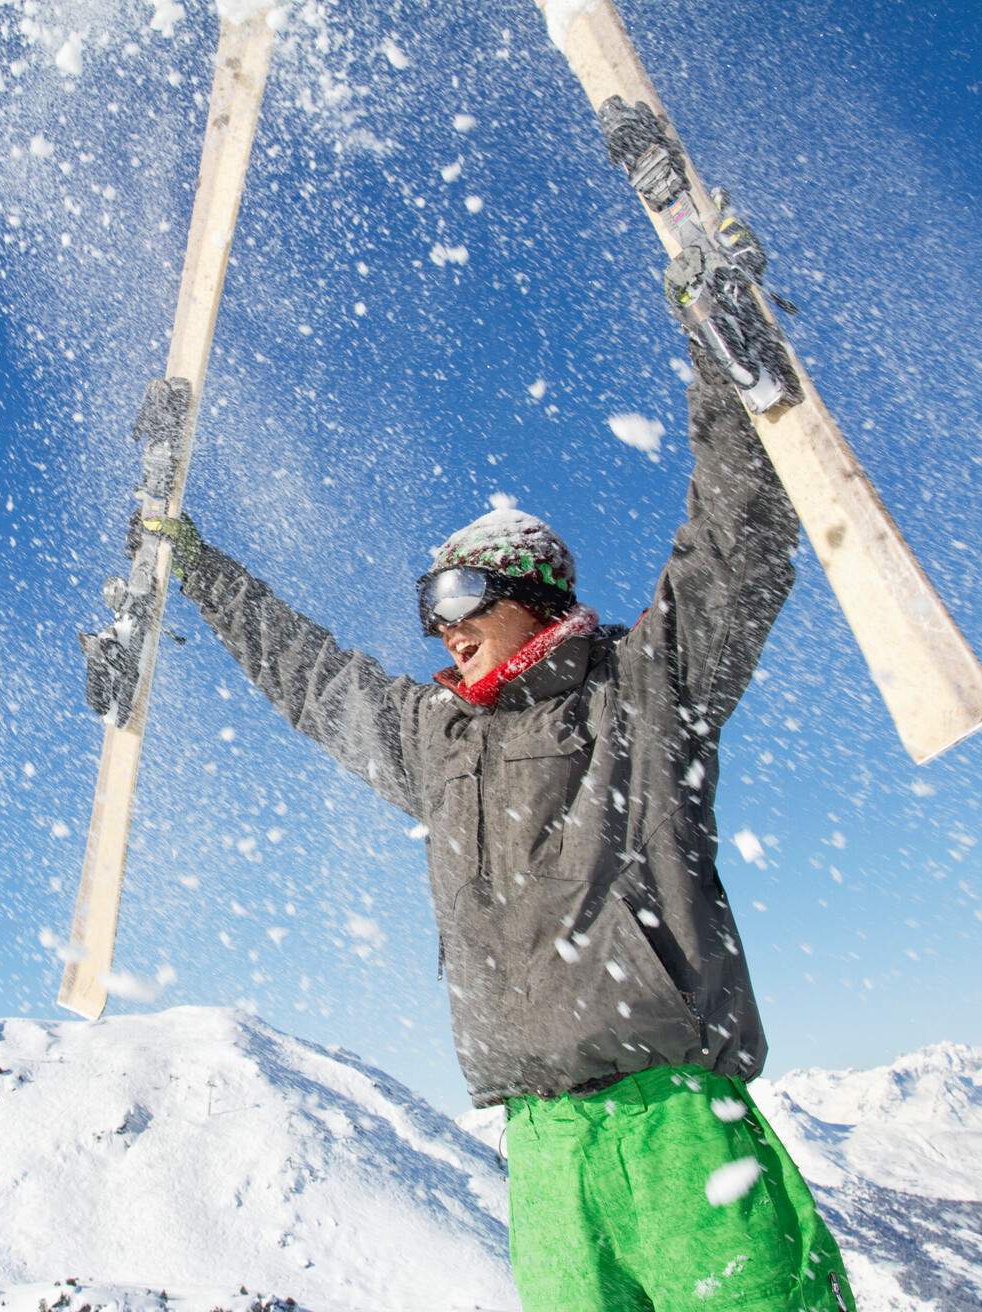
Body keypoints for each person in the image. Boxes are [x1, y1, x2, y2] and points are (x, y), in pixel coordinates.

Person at [93, 343, 858, 1310]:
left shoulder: (640, 696)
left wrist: (722, 361)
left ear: (531, 593)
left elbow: (732, 550)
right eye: (429, 607)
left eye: (459, 597)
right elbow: (313, 677)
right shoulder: (436, 741)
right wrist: (198, 569)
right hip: (539, 1150)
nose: (440, 627)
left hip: (674, 1126)